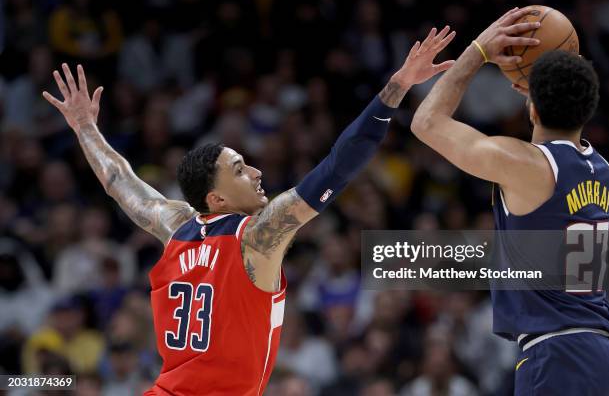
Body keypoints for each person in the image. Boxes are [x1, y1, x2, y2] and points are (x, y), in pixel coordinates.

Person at [42, 26, 455, 395]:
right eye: (240, 170)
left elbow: (120, 183)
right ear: (216, 199)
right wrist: (397, 87)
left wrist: (85, 129)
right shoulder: (255, 237)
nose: (256, 172)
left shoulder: (176, 226)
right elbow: (337, 166)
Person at [410, 7, 609, 395]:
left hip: (555, 355)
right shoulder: (603, 171)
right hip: (599, 349)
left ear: (531, 105)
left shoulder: (527, 166)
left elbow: (426, 122)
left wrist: (479, 51)